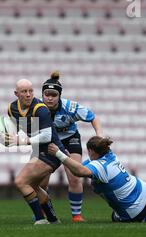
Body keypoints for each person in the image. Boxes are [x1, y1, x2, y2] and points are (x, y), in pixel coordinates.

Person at [47, 136, 146, 223]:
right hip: (145, 191)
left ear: (91, 151)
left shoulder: (100, 167)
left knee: (117, 217)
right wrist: (67, 156)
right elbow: (80, 165)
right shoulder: (110, 156)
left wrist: (58, 154)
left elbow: (79, 171)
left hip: (134, 210)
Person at [0, 78, 68, 225]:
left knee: (21, 181)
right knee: (32, 186)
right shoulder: (12, 108)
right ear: (16, 93)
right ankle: (52, 220)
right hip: (39, 151)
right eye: (24, 91)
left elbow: (47, 136)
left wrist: (23, 141)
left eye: (30, 91)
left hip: (52, 151)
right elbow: (12, 128)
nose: (28, 94)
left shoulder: (40, 108)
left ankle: (40, 219)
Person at [40, 71, 103, 222]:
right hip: (46, 140)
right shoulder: (37, 108)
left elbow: (93, 117)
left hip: (70, 138)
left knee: (74, 176)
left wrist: (99, 133)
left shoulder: (71, 107)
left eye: (53, 95)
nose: (49, 97)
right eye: (46, 94)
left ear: (59, 96)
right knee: (41, 181)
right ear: (42, 94)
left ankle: (76, 215)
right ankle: (43, 213)